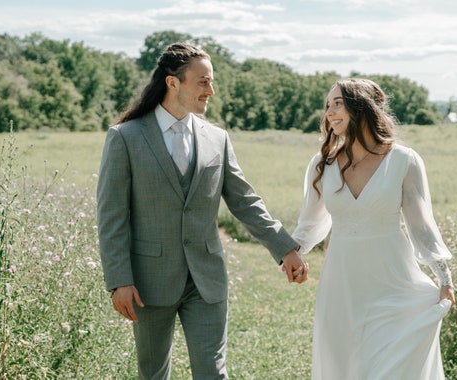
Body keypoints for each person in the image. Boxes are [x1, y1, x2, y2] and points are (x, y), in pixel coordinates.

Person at [97, 42, 308, 380]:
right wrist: (119, 279)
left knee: (213, 372)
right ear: (172, 83)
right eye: (203, 81)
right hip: (148, 282)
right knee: (152, 373)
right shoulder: (125, 137)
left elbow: (244, 200)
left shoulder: (217, 139)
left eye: (211, 81)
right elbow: (112, 216)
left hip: (206, 279)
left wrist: (285, 248)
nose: (211, 90)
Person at [292, 78, 455, 379]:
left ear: (362, 107)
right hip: (341, 283)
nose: (329, 112)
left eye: (337, 103)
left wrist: (444, 277)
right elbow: (309, 224)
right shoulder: (322, 164)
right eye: (327, 106)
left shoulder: (404, 160)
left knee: (386, 364)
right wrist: (291, 253)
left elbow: (422, 227)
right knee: (344, 363)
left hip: (393, 278)